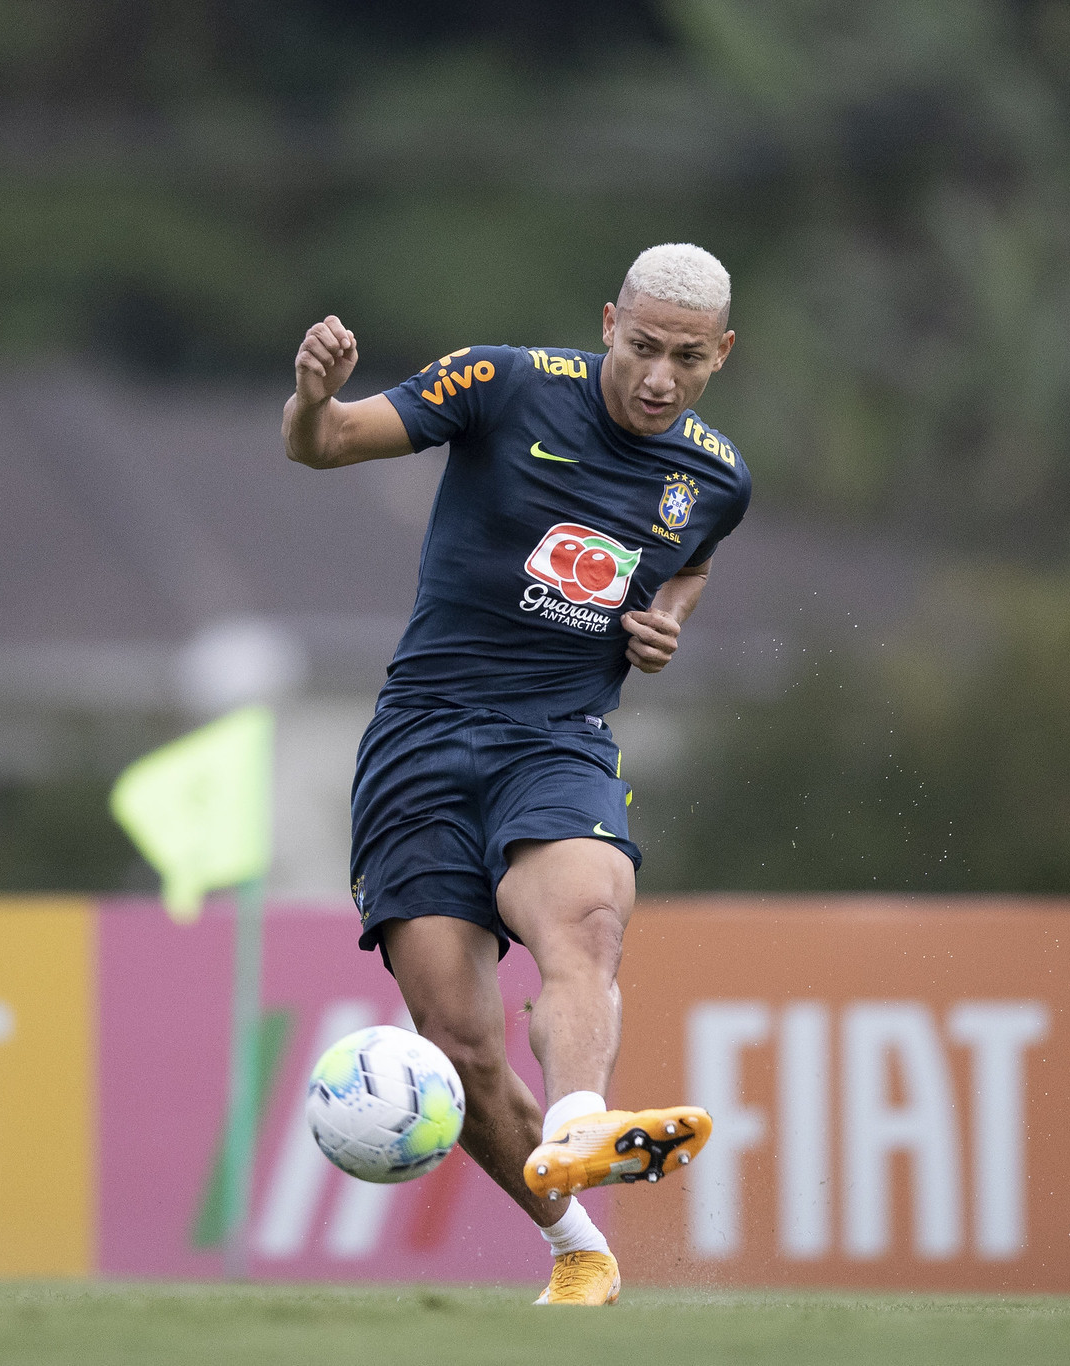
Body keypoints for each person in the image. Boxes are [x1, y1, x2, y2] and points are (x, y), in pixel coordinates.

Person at [281, 243, 749, 1305]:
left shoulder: (717, 474)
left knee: (585, 923)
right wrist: (313, 397)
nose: (659, 378)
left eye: (686, 358)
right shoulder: (499, 383)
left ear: (721, 353)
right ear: (608, 324)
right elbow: (326, 444)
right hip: (421, 741)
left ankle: (581, 1122)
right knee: (457, 1044)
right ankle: (579, 1248)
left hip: (557, 737)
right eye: (642, 347)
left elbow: (694, 558)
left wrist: (667, 618)